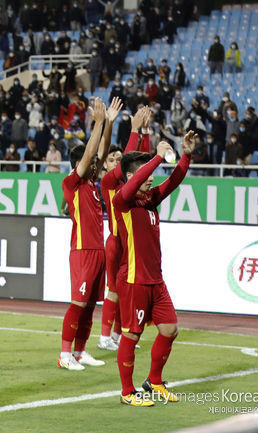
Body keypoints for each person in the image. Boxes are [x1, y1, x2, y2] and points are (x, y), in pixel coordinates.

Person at [113, 131, 197, 407]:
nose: (151, 177)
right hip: (134, 280)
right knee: (131, 334)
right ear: (129, 177)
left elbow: (173, 182)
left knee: (170, 329)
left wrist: (185, 155)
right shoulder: (121, 201)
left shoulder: (149, 201)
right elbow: (135, 181)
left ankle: (154, 381)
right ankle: (127, 391)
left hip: (156, 281)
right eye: (144, 173)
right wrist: (158, 156)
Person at [58, 97, 122, 371]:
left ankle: (80, 351)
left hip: (97, 252)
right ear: (78, 163)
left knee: (90, 306)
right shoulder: (72, 182)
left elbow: (102, 149)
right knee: (78, 303)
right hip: (82, 251)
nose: (97, 164)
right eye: (92, 161)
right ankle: (64, 354)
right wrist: (96, 123)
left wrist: (108, 123)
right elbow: (89, 157)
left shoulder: (93, 185)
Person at [97, 107, 150, 351]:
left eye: (119, 159)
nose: (117, 163)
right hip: (117, 242)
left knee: (127, 291)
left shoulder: (129, 181)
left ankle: (119, 335)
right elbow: (130, 162)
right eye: (112, 160)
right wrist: (133, 131)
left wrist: (145, 133)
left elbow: (142, 164)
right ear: (104, 166)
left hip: (132, 243)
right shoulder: (108, 182)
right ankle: (104, 336)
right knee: (114, 291)